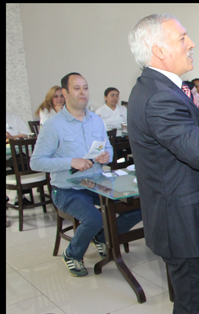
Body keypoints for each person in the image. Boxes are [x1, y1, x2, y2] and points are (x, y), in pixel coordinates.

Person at [126, 14, 199, 314]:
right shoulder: (159, 97)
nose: (191, 44)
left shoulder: (162, 88)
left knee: (194, 310)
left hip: (192, 218)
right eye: (182, 38)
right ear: (159, 50)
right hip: (186, 226)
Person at [31, 71, 142, 277]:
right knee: (94, 217)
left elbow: (108, 151)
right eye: (76, 88)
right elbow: (36, 162)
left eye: (85, 88)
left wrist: (105, 156)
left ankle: (102, 238)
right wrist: (70, 162)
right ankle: (72, 254)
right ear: (65, 92)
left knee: (142, 205)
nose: (82, 93)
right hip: (67, 188)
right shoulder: (53, 125)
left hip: (97, 182)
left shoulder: (96, 120)